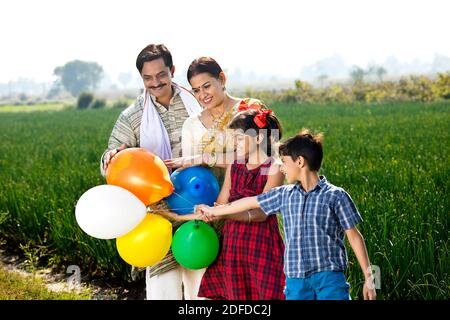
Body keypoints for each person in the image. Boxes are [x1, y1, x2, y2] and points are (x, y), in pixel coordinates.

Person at [199, 129, 377, 300]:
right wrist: (214, 211)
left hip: (329, 278)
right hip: (295, 281)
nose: (281, 168)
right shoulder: (285, 194)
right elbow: (249, 202)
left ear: (300, 161)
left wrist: (370, 279)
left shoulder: (336, 196)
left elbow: (354, 237)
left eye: (284, 162)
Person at [100, 43, 205, 300]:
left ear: (172, 70)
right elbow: (111, 159)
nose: (155, 82)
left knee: (202, 284)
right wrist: (111, 157)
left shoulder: (200, 102)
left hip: (201, 205)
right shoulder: (133, 117)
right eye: (148, 77)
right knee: (163, 287)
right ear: (141, 78)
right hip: (159, 214)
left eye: (161, 74)